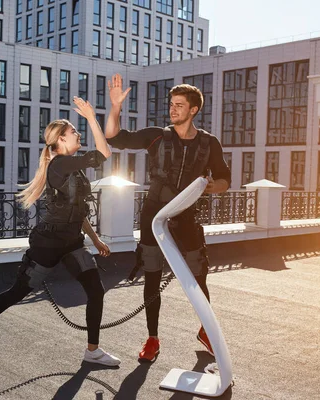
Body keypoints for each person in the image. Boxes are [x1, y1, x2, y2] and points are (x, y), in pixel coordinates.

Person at [0, 96, 121, 366]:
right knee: (16, 293)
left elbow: (77, 210)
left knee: (95, 291)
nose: (78, 134)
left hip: (72, 241)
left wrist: (96, 239)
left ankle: (92, 351)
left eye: (77, 130)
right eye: (73, 132)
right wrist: (90, 117)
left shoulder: (73, 167)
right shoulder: (61, 164)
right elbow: (104, 154)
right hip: (49, 242)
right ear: (61, 140)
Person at [104, 74, 231, 362]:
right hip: (154, 216)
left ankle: (206, 330)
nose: (173, 109)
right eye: (171, 104)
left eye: (179, 105)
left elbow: (225, 178)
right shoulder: (156, 135)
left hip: (187, 217)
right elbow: (114, 137)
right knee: (151, 276)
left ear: (193, 110)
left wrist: (212, 186)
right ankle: (152, 338)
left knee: (199, 276)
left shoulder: (210, 144)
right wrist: (115, 108)